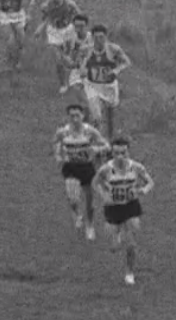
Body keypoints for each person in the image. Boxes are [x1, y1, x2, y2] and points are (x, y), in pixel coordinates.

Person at [91, 136, 154, 285]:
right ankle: (116, 234)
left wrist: (142, 190)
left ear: (129, 152)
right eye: (116, 153)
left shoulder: (136, 167)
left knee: (131, 242)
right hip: (113, 207)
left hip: (130, 206)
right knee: (113, 247)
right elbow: (95, 183)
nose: (120, 156)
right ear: (112, 153)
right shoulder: (106, 169)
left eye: (123, 153)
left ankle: (130, 273)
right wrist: (104, 195)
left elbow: (150, 182)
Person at [53, 104, 110, 241]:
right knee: (72, 199)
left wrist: (96, 150)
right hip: (70, 167)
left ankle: (90, 226)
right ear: (68, 117)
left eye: (77, 115)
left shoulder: (89, 131)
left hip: (86, 168)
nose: (74, 119)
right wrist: (58, 155)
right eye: (71, 116)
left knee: (89, 202)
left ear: (83, 116)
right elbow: (56, 142)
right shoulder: (63, 132)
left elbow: (106, 145)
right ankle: (78, 214)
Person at [78, 24, 131, 139]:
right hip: (92, 85)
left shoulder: (113, 49)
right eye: (96, 38)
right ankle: (95, 138)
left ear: (106, 37)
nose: (99, 40)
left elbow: (126, 62)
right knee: (96, 115)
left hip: (109, 86)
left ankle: (111, 138)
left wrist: (116, 70)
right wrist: (83, 68)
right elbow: (81, 63)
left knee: (110, 114)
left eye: (101, 37)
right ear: (92, 38)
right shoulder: (86, 49)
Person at [34, 0, 82, 94]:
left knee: (69, 60)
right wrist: (39, 29)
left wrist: (80, 29)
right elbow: (45, 19)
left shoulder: (70, 3)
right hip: (54, 32)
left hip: (68, 31)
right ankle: (63, 84)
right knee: (58, 60)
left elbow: (80, 16)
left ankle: (78, 74)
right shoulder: (45, 6)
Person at [61, 14, 93, 103]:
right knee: (77, 90)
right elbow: (65, 54)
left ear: (87, 26)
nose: (79, 28)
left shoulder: (93, 37)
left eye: (81, 26)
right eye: (76, 26)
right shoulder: (70, 39)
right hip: (77, 68)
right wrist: (69, 60)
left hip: (92, 68)